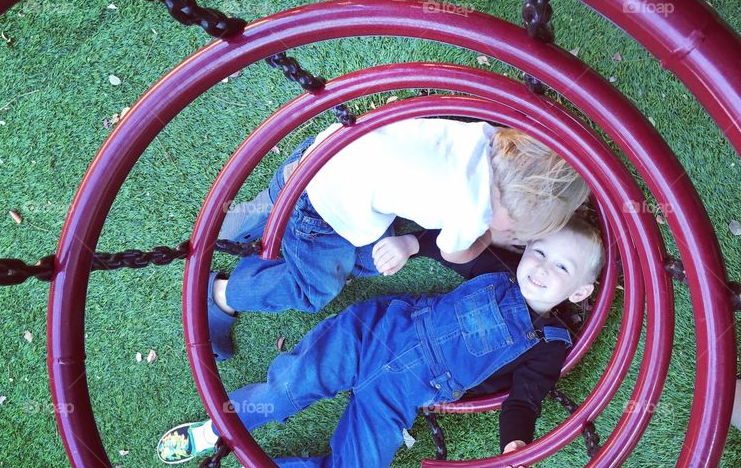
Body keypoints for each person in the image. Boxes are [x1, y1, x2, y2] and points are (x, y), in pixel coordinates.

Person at [157, 217, 604, 468]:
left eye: (561, 267)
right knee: (285, 391)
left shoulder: (550, 342)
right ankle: (215, 429)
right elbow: (452, 248)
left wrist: (515, 443)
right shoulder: (500, 270)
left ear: (580, 293)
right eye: (539, 252)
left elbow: (525, 399)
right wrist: (410, 243)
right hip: (375, 334)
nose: (541, 268)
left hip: (398, 396)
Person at [205, 118, 589, 360]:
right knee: (314, 290)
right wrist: (493, 236)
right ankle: (224, 294)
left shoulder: (484, 137)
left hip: (329, 150)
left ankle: (274, 199)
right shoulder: (472, 211)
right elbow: (454, 253)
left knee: (373, 258)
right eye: (519, 228)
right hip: (321, 209)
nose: (516, 235)